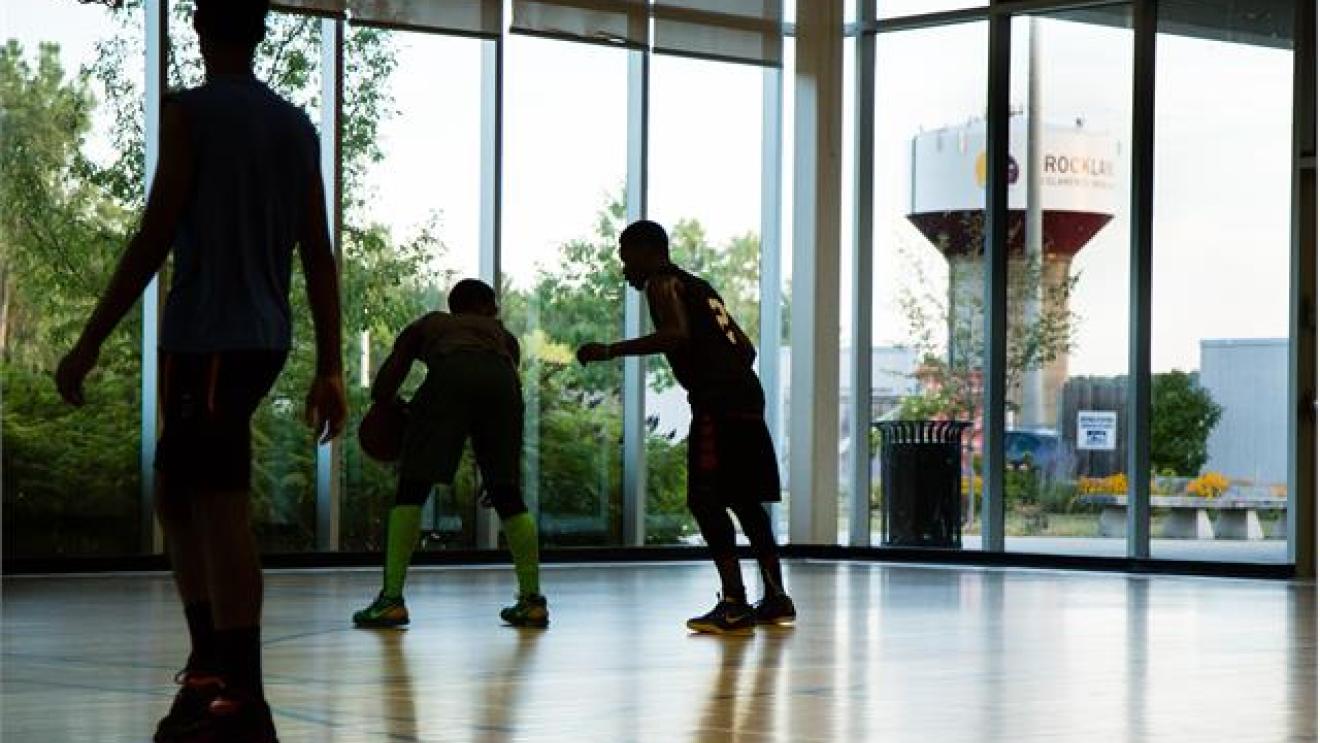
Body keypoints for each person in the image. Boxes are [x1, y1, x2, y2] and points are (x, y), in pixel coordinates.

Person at [54, 0, 346, 740]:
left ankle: (240, 685)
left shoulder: (190, 113)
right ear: (260, 30)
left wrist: (89, 341)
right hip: (258, 336)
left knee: (213, 502)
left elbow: (155, 235)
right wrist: (331, 363)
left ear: (195, 27)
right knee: (178, 492)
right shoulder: (295, 125)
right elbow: (318, 251)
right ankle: (214, 662)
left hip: (210, 335)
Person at [576, 220, 795, 634]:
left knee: (706, 498)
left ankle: (733, 604)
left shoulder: (662, 284)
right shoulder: (701, 286)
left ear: (645, 251)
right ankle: (777, 598)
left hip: (717, 403)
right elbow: (745, 349)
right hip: (748, 396)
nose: (625, 271)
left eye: (626, 259)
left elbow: (674, 336)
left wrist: (609, 350)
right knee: (747, 500)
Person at [351, 278, 547, 629]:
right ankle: (532, 600)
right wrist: (502, 470)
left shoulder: (431, 323)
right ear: (488, 307)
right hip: (502, 382)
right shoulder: (504, 338)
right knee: (508, 494)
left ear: (453, 304)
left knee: (412, 488)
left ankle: (391, 600)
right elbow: (505, 387)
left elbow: (386, 383)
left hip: (451, 373)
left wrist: (391, 407)